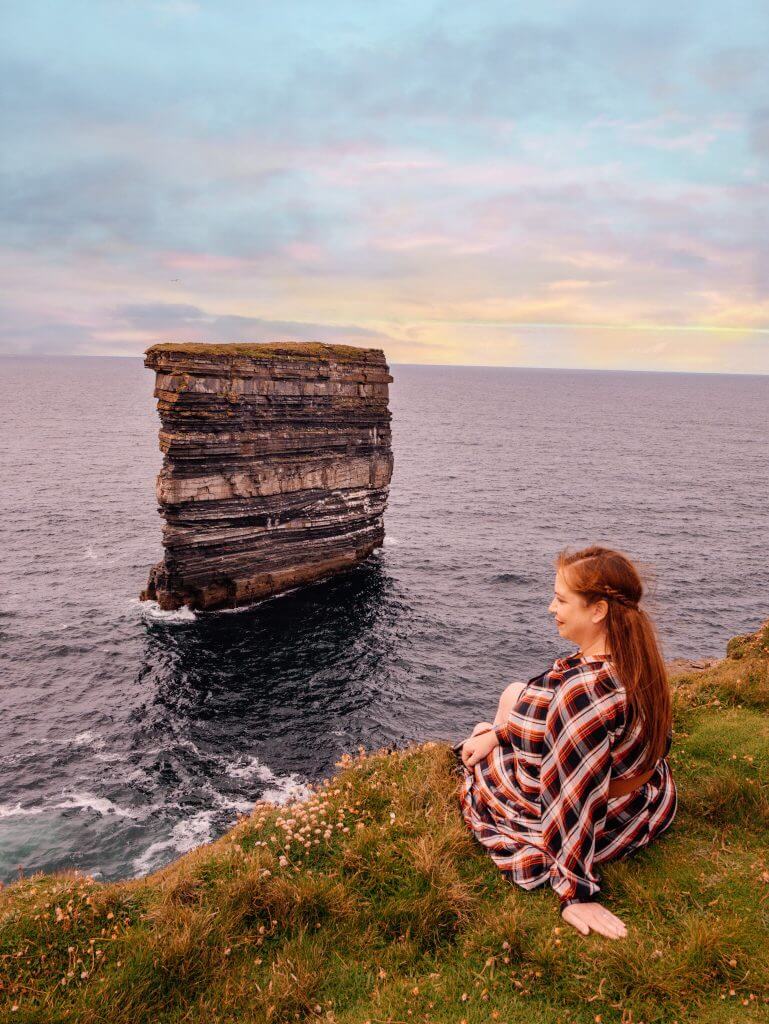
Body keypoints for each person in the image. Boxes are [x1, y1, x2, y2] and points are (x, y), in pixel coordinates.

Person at [456, 545, 677, 940]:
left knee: (482, 756)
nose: (549, 607)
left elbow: (571, 796)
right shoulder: (634, 654)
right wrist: (501, 732)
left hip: (600, 814)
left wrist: (576, 891)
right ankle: (492, 731)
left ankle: (486, 736)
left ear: (597, 611)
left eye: (560, 599)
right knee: (512, 695)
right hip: (647, 796)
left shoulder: (585, 695)